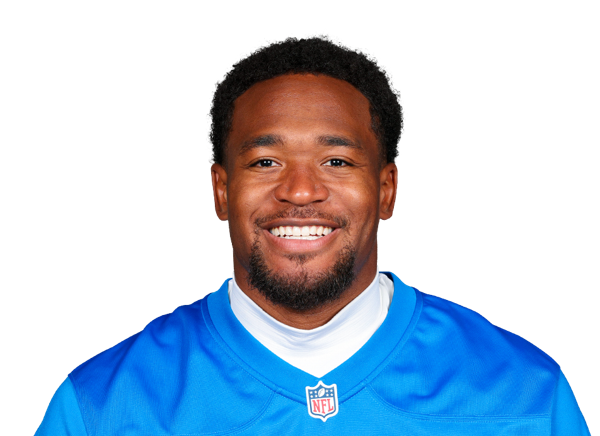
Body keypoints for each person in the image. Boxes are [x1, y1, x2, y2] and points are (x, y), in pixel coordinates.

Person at [35, 35, 590, 435]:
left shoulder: (526, 393)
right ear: (221, 191)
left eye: (337, 161)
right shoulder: (99, 408)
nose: (300, 191)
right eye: (266, 162)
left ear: (387, 189)